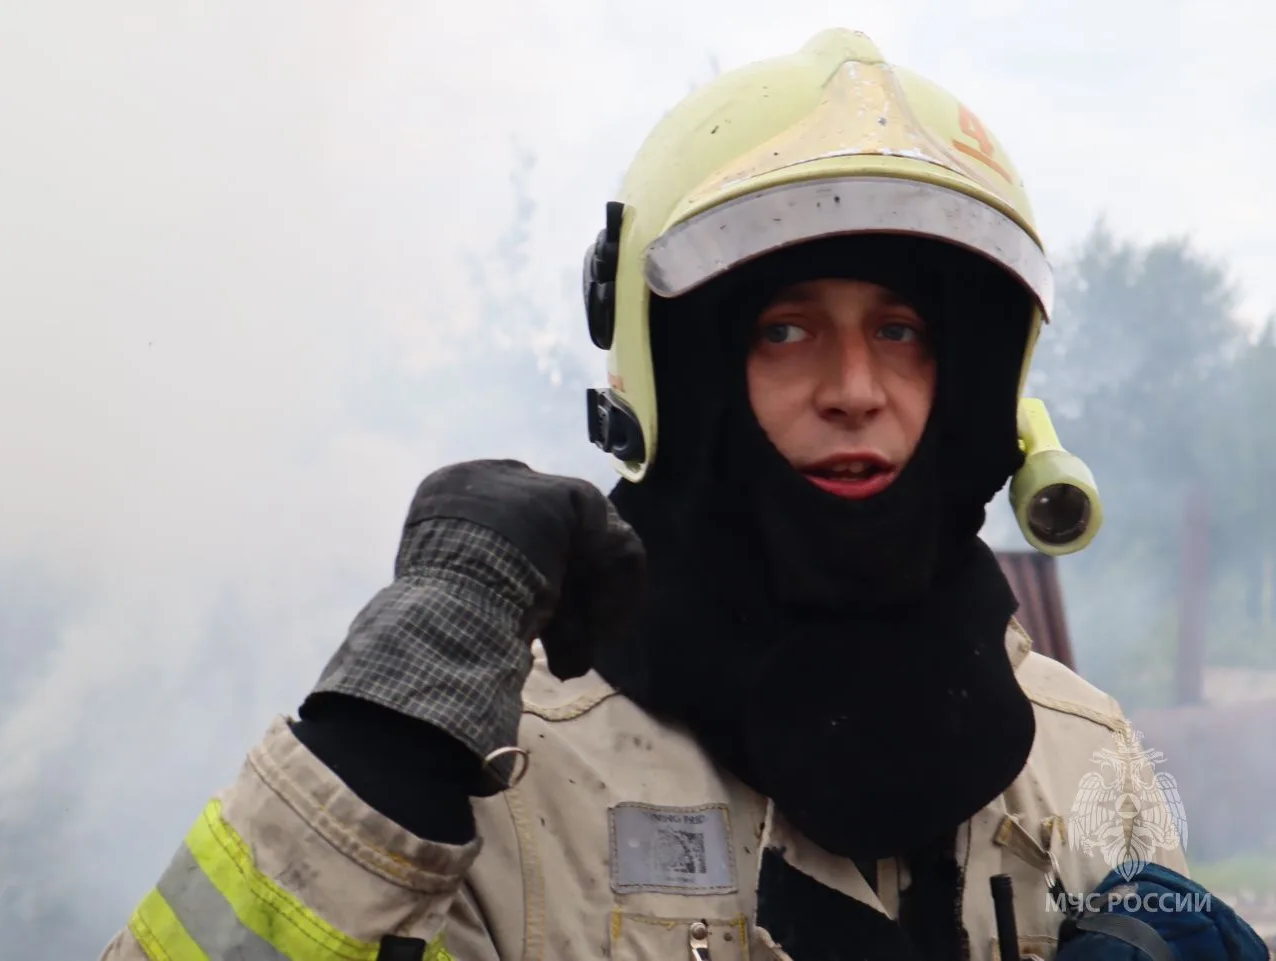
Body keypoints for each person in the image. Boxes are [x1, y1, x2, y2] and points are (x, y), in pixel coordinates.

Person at [100, 27, 1192, 961]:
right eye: (785, 330)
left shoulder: (1084, 761)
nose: (856, 389)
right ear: (686, 372)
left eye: (899, 331)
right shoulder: (505, 770)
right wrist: (375, 754)